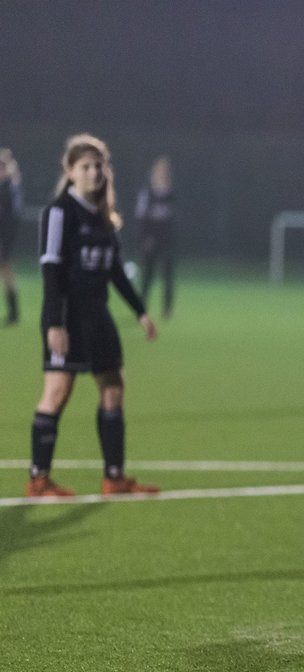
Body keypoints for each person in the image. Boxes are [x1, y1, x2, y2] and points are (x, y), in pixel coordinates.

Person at [27, 134, 158, 498]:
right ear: (70, 171)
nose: (93, 172)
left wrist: (141, 312)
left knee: (113, 387)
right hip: (67, 316)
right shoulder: (59, 212)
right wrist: (55, 322)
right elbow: (51, 269)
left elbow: (114, 271)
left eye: (98, 165)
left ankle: (113, 477)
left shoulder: (103, 217)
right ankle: (39, 478)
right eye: (85, 166)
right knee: (57, 392)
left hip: (98, 316)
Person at [136, 155, 176, 319]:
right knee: (148, 275)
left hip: (167, 240)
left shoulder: (172, 193)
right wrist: (145, 238)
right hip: (151, 240)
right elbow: (140, 216)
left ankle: (167, 309)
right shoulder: (148, 192)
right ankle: (141, 307)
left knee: (168, 274)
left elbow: (175, 217)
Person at [0, 149, 22, 325]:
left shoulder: (9, 188)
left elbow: (12, 217)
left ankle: (14, 313)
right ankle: (13, 312)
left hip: (4, 237)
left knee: (6, 270)